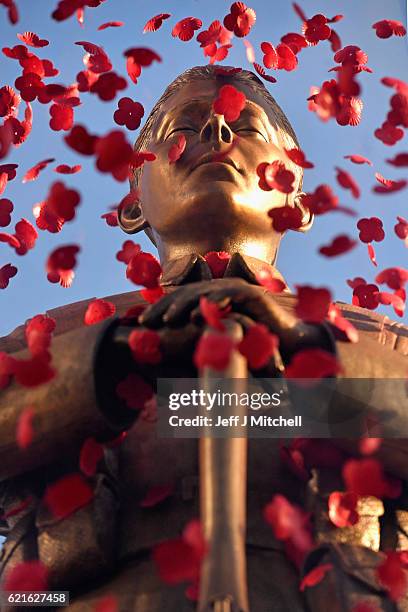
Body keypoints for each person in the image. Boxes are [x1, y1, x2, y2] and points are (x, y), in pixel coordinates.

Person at [0, 65, 407, 611]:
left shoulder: (382, 342)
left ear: (300, 201)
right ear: (132, 203)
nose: (217, 132)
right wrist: (112, 362)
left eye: (247, 128)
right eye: (181, 130)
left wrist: (313, 353)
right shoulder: (55, 340)